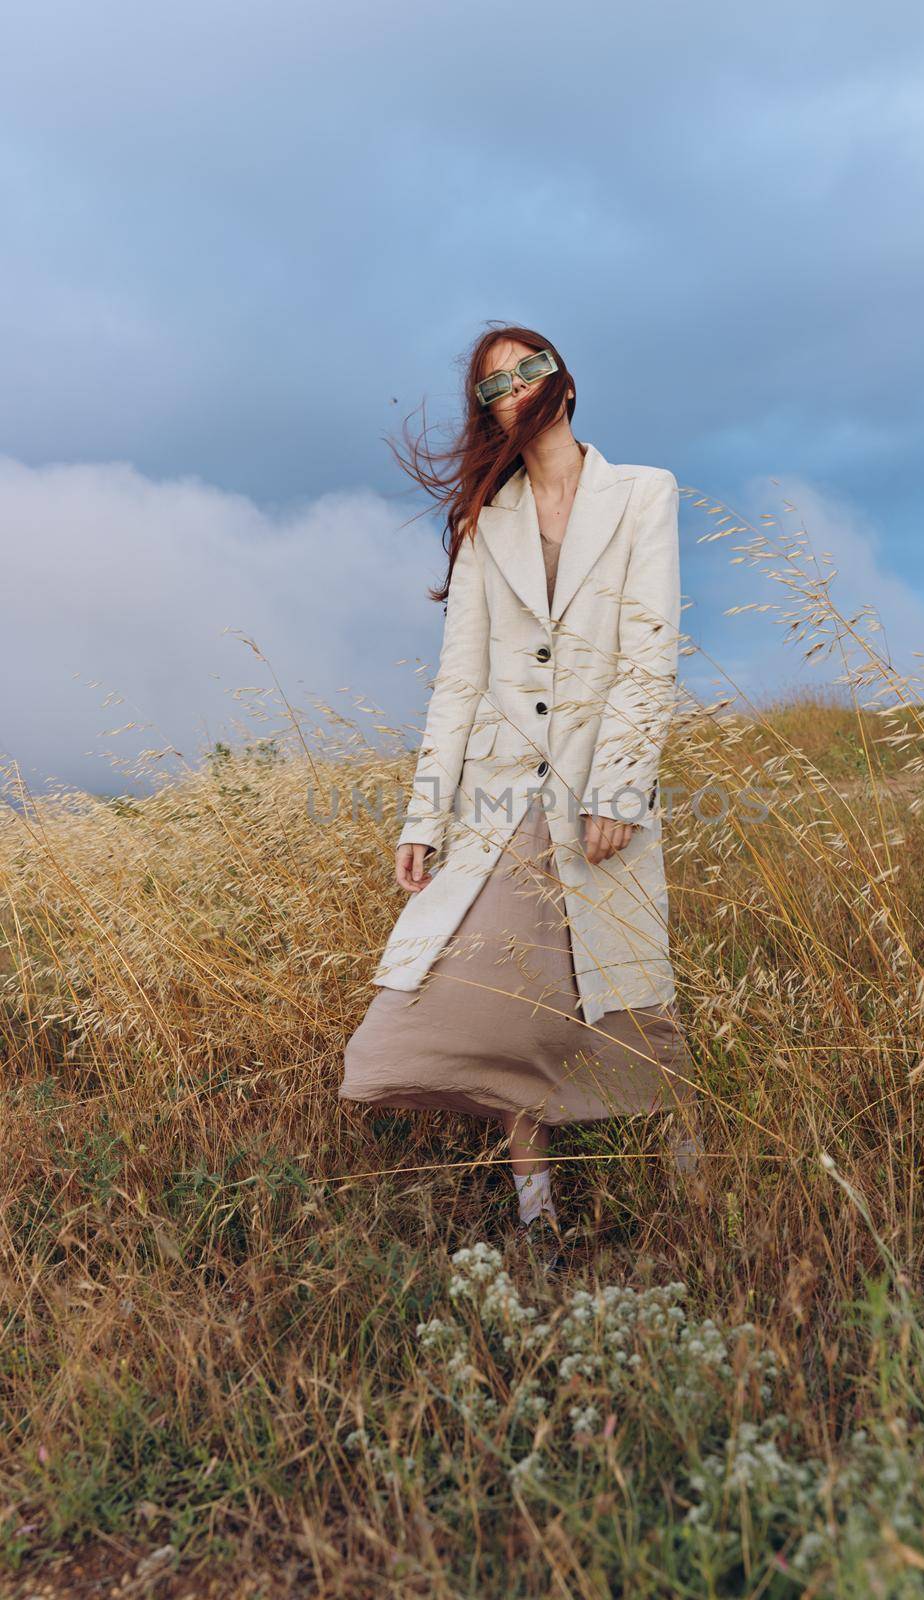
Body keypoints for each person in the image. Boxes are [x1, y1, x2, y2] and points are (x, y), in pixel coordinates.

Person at [338, 322, 705, 1271]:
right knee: (493, 996)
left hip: (599, 794)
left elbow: (648, 652)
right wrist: (424, 815)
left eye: (531, 367)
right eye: (494, 381)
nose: (517, 387)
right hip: (495, 805)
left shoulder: (642, 494)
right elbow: (457, 683)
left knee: (629, 996)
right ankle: (536, 1219)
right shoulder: (482, 519)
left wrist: (618, 789)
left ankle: (699, 1193)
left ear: (567, 383)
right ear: (486, 408)